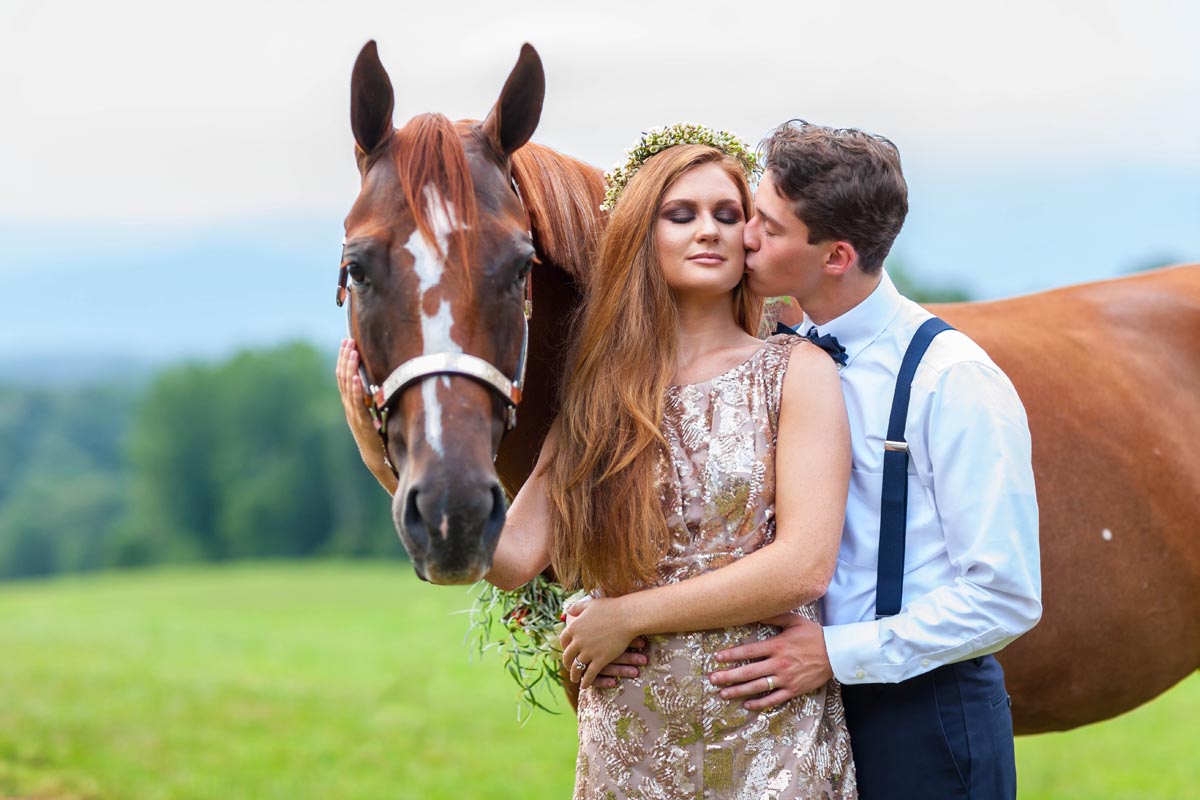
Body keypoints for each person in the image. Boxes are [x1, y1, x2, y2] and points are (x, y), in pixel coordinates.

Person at [337, 126, 858, 799]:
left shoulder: (797, 372)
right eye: (682, 215)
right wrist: (381, 455)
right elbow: (514, 556)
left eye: (728, 215)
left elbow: (804, 565)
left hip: (764, 728)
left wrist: (628, 617)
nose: (709, 231)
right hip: (630, 739)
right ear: (644, 233)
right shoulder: (601, 395)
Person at [695, 120, 1042, 800]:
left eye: (768, 225)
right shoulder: (774, 351)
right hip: (798, 713)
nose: (745, 236)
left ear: (836, 256)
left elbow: (1005, 595)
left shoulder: (954, 379)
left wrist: (835, 654)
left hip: (925, 719)